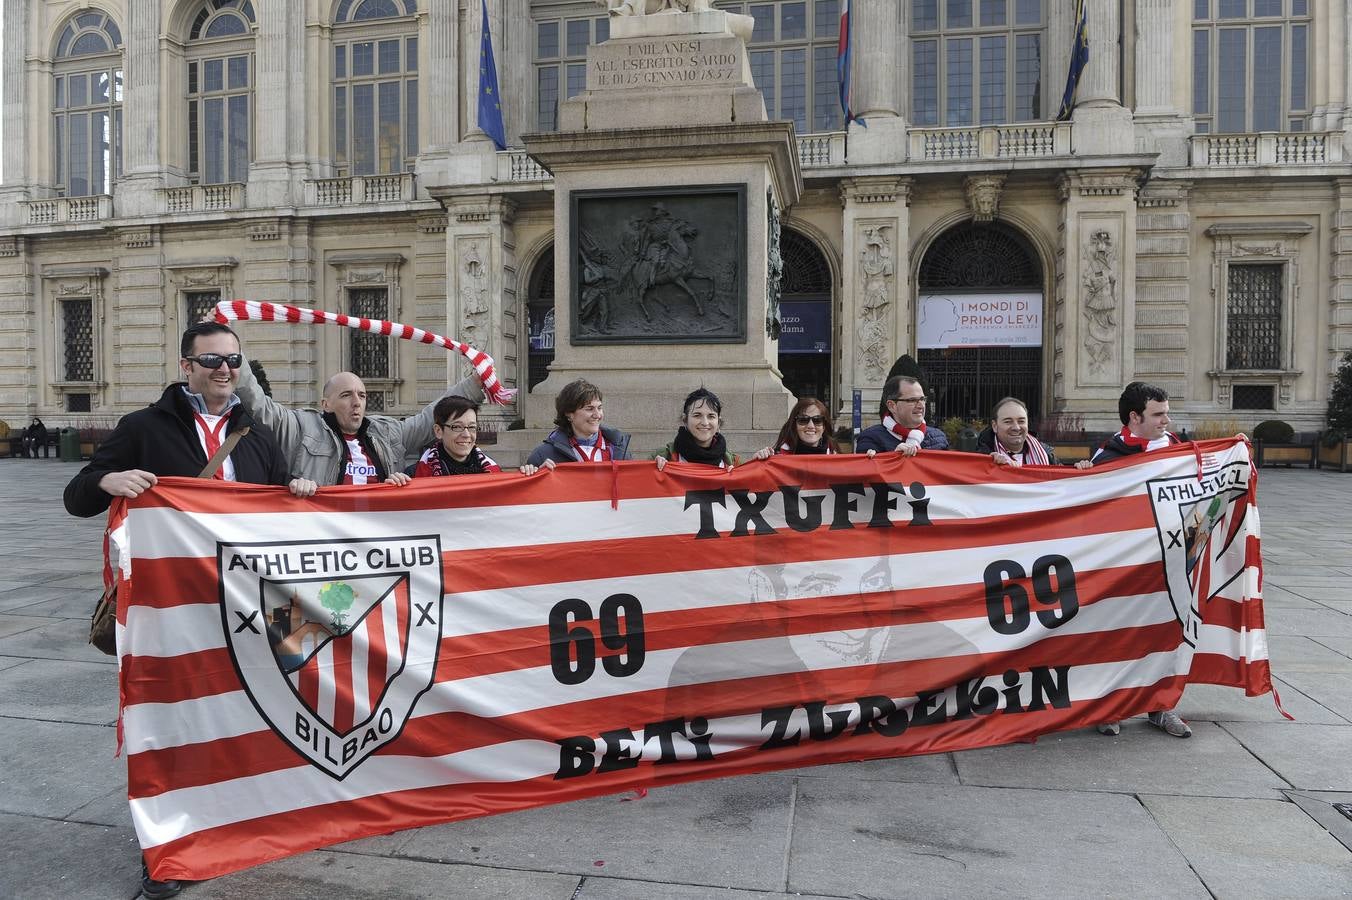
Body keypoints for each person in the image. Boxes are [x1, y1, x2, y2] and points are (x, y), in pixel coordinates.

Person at [62, 321, 305, 900]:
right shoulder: (144, 428)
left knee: (254, 710)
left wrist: (296, 489)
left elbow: (280, 520)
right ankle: (166, 845)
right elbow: (77, 495)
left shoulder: (257, 436)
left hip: (248, 608)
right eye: (212, 360)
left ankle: (243, 814)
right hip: (173, 613)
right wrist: (108, 479)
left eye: (233, 360)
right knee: (169, 725)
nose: (225, 369)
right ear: (185, 367)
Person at [1092, 381, 1189, 739]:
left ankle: (1161, 707)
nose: (1167, 420)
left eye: (1167, 412)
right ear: (1135, 417)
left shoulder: (1179, 452)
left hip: (1170, 563)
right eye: (1158, 414)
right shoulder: (1107, 458)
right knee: (1117, 638)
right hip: (1124, 567)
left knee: (1165, 637)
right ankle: (1110, 707)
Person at [233, 351, 484, 487]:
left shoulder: (387, 432)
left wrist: (473, 384)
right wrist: (233, 356)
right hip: (324, 537)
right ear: (326, 404)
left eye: (362, 395)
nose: (357, 402)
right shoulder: (300, 426)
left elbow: (428, 418)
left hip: (375, 539)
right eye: (346, 395)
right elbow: (259, 406)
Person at [413, 395, 546, 477]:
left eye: (472, 427)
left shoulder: (493, 471)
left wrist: (533, 476)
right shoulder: (413, 475)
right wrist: (395, 485)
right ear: (438, 431)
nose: (466, 435)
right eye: (457, 427)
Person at [526, 379, 633, 466]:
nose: (597, 415)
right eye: (589, 409)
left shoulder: (619, 449)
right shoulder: (543, 455)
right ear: (569, 414)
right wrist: (537, 475)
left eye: (599, 408)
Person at [855, 375, 950, 456]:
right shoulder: (871, 439)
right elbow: (867, 475)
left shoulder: (939, 438)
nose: (921, 405)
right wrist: (893, 457)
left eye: (922, 399)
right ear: (892, 406)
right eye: (912, 400)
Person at [754, 397, 871, 459]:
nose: (811, 426)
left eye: (817, 420)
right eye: (803, 420)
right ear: (794, 424)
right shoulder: (775, 458)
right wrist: (757, 462)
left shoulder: (837, 458)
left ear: (824, 426)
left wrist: (872, 460)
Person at [655, 387, 739, 469]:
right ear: (685, 420)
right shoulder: (663, 458)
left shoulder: (734, 463)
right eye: (697, 415)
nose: (705, 423)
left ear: (718, 422)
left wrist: (739, 476)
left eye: (711, 416)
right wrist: (654, 469)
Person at [975, 397, 1057, 466]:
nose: (1016, 428)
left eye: (1021, 421)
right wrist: (988, 463)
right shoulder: (980, 457)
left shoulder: (1046, 453)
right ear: (994, 426)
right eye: (1008, 421)